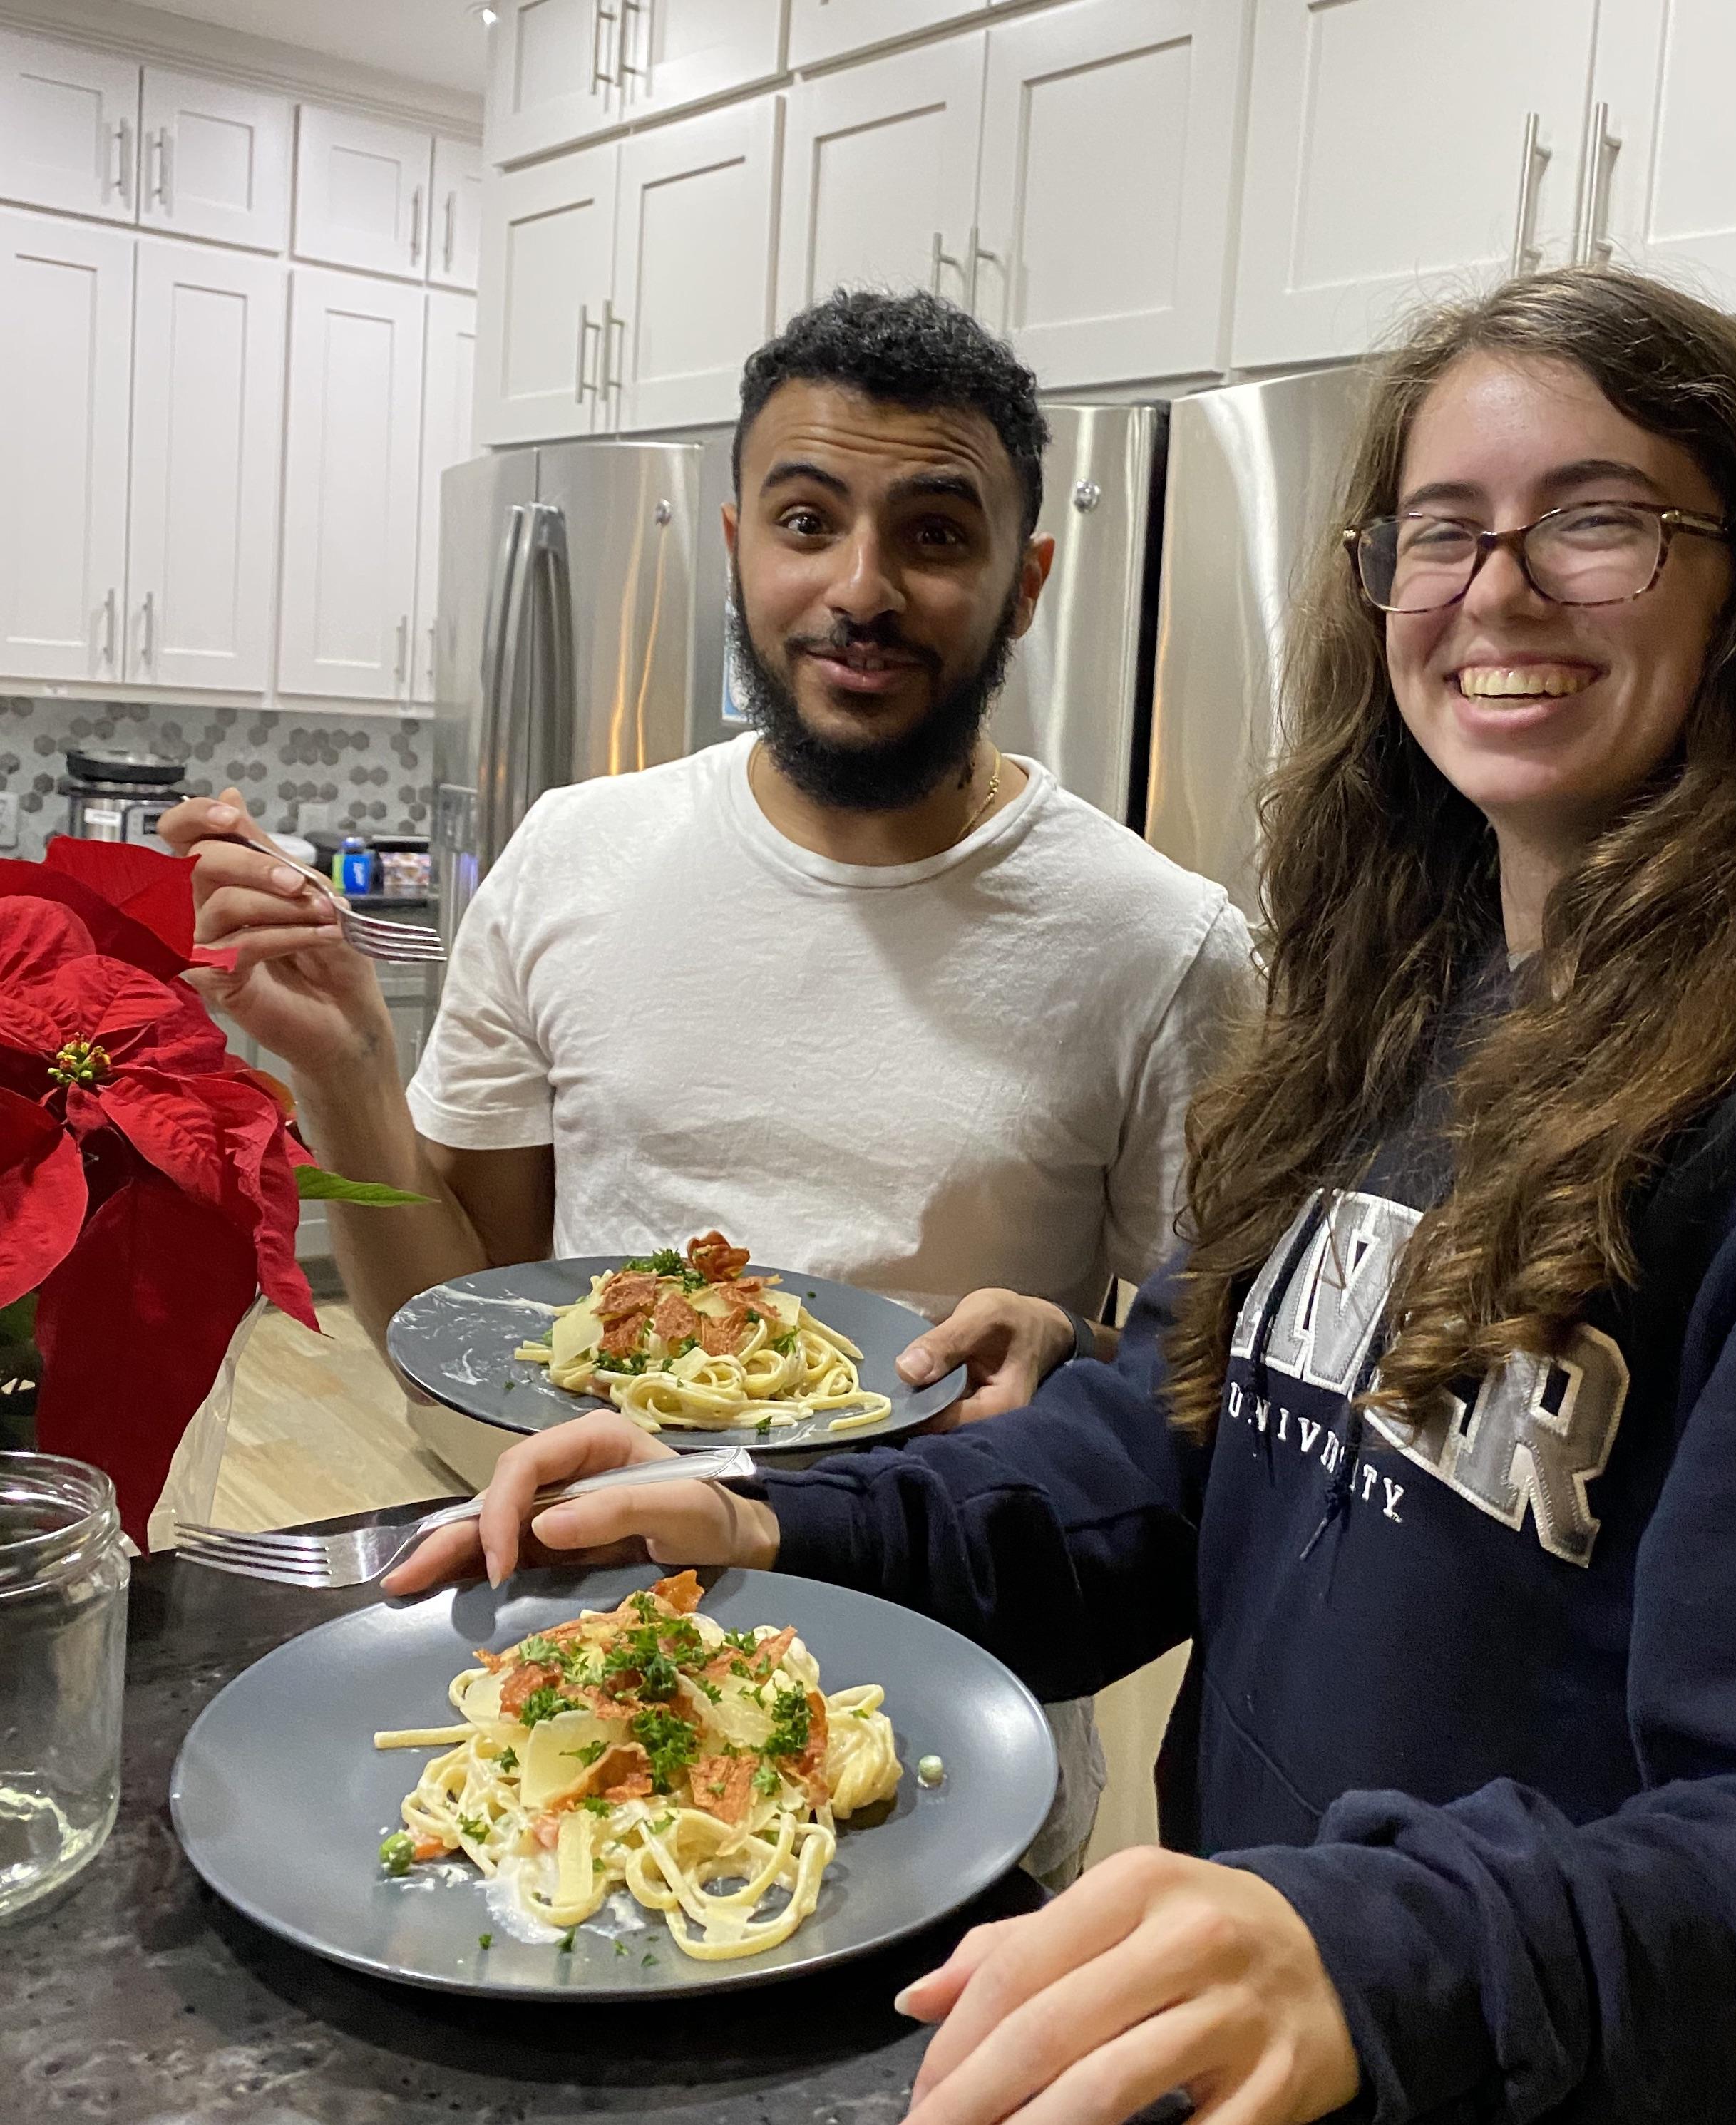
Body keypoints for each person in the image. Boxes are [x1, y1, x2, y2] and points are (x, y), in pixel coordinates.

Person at [391, 267, 1736, 2125]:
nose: (1494, 588)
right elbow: (1155, 1455)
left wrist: (1362, 1954)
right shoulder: (1382, 1025)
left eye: (1590, 520)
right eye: (1438, 531)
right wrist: (762, 1521)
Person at [163, 288, 1258, 1883]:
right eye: (808, 521)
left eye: (934, 534)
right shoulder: (574, 857)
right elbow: (457, 1334)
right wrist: (346, 1072)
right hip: (580, 1660)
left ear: (1026, 577)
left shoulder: (1166, 946)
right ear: (738, 539)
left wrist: (1079, 1343)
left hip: (949, 1703)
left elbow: (1197, 1402)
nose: (859, 589)